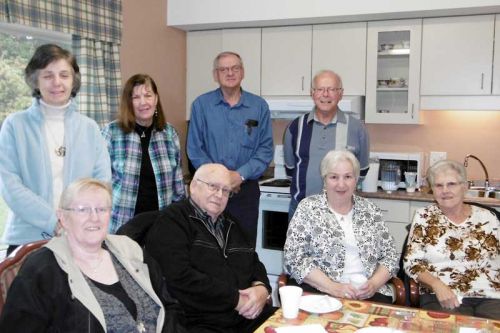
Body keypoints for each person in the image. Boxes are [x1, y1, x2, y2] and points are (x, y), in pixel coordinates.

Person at [0, 178, 188, 332]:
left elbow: (169, 307)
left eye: (102, 209)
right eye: (83, 209)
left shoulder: (131, 251)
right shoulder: (41, 270)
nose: (94, 217)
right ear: (63, 217)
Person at [0, 44, 111, 255]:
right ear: (35, 80)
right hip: (27, 239)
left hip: (81, 237)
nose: (57, 82)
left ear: (73, 80)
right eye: (48, 75)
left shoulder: (89, 128)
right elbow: (10, 186)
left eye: (64, 75)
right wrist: (55, 222)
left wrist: (78, 220)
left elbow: (101, 183)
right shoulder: (15, 125)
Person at [145, 163, 275, 333]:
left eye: (226, 190)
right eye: (213, 187)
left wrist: (262, 288)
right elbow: (178, 278)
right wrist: (235, 299)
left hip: (246, 317)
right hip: (200, 322)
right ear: (193, 186)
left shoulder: (231, 223)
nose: (219, 195)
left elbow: (253, 261)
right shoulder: (172, 221)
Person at [284, 150, 398, 304]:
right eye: (334, 177)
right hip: (320, 292)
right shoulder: (308, 208)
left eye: (348, 177)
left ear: (356, 179)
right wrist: (333, 287)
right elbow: (294, 258)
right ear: (324, 179)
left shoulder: (370, 210)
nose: (341, 184)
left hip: (368, 293)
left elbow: (390, 255)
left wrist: (374, 284)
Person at [187, 51, 273, 247]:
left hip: (245, 191)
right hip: (208, 190)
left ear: (242, 72)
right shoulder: (201, 105)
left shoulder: (258, 106)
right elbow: (195, 148)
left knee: (242, 247)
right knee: (207, 246)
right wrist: (218, 179)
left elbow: (265, 149)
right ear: (216, 75)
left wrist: (240, 175)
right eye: (224, 69)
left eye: (235, 68)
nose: (230, 73)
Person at [404, 160, 500, 319]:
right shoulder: (424, 217)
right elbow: (412, 263)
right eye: (438, 185)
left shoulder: (487, 217)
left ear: (464, 187)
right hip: (442, 294)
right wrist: (436, 285)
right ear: (432, 190)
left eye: (451, 184)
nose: (445, 190)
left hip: (491, 294)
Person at [102, 74, 185, 233]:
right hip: (121, 225)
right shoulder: (111, 133)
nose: (143, 102)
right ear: (129, 102)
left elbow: (178, 187)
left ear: (156, 99)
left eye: (148, 95)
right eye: (136, 97)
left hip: (160, 226)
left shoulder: (169, 133)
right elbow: (98, 182)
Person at [284, 70, 370, 219]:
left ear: (340, 94)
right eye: (320, 89)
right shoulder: (295, 127)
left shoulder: (357, 129)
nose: (325, 94)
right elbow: (290, 171)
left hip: (341, 213)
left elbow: (361, 172)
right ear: (312, 93)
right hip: (302, 212)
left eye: (332, 89)